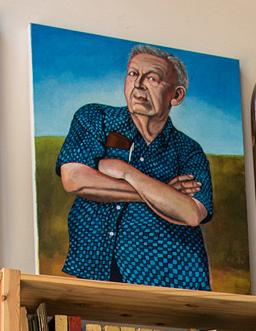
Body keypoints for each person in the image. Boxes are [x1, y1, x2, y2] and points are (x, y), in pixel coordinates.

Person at [56, 45, 212, 289]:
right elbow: (75, 179)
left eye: (152, 78)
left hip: (171, 280)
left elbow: (192, 214)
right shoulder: (95, 118)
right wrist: (163, 194)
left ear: (176, 95)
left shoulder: (188, 150)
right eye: (132, 74)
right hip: (95, 269)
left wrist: (126, 172)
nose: (138, 85)